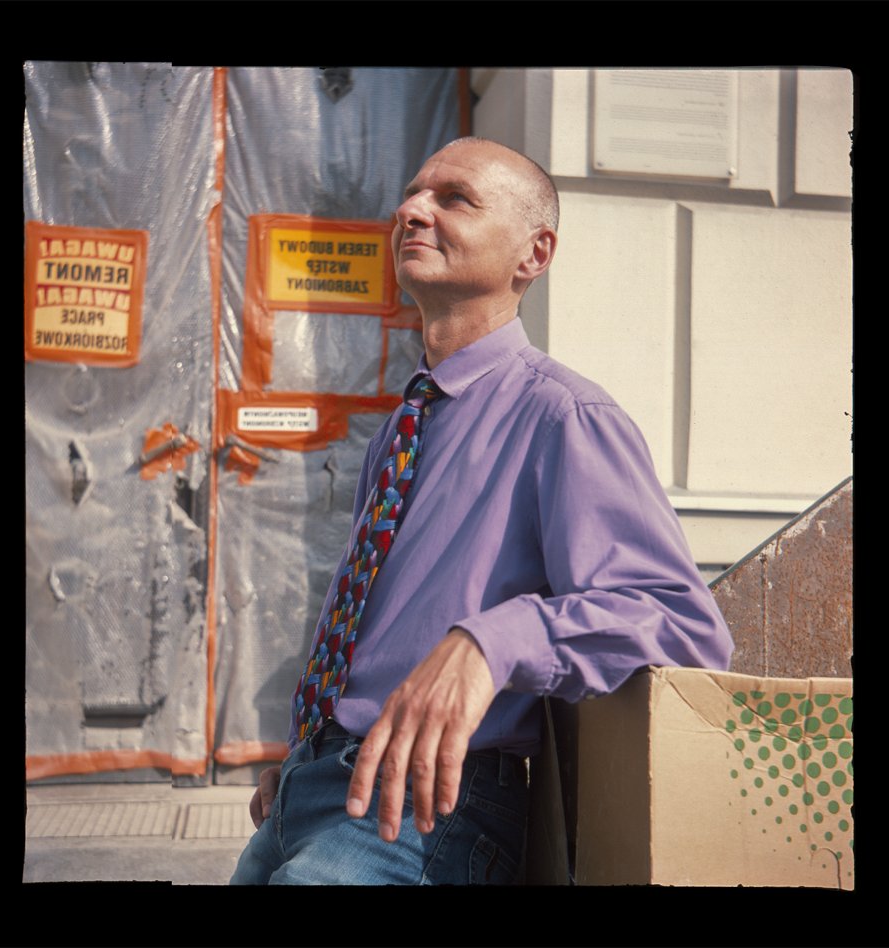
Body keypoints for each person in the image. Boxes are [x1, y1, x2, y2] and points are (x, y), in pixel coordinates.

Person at [230, 137, 732, 885]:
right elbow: (377, 617)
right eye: (411, 194)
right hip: (308, 786)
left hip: (429, 808)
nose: (409, 210)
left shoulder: (566, 416)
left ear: (534, 253)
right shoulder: (406, 423)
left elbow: (685, 626)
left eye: (453, 198)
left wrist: (495, 638)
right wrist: (308, 743)